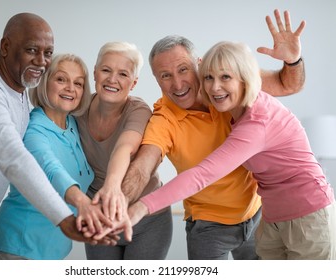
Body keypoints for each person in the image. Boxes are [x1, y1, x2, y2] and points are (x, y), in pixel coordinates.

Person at [119, 9, 306, 260]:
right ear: (156, 80)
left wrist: (293, 60)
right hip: (208, 227)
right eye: (165, 76)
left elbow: (288, 84)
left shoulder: (228, 80)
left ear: (199, 65)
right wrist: (118, 202)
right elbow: (143, 166)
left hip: (257, 214)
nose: (177, 84)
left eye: (183, 70)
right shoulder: (164, 118)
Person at [0, 13, 113, 260]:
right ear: (5, 47)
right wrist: (65, 218)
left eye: (48, 53)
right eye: (32, 50)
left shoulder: (18, 88)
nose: (41, 61)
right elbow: (15, 160)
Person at [0, 53, 115, 260]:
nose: (70, 88)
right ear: (45, 83)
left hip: (55, 243)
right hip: (24, 240)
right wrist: (83, 203)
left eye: (78, 83)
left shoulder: (74, 125)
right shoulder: (33, 129)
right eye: (61, 79)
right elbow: (51, 169)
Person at [76, 41, 173, 259]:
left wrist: (111, 186)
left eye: (123, 74)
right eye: (106, 70)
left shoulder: (138, 110)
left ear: (134, 83)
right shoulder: (78, 109)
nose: (112, 79)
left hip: (147, 220)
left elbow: (125, 147)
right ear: (95, 73)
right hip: (100, 216)